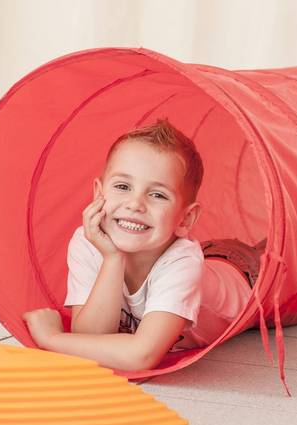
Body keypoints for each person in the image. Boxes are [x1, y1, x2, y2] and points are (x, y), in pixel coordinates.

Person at [22, 119, 263, 372]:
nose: (135, 204)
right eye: (123, 186)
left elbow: (142, 356)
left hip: (247, 275)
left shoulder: (182, 263)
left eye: (157, 194)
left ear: (186, 218)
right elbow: (92, 335)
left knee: (290, 271)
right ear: (98, 194)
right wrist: (113, 259)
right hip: (200, 258)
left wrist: (51, 339)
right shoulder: (89, 241)